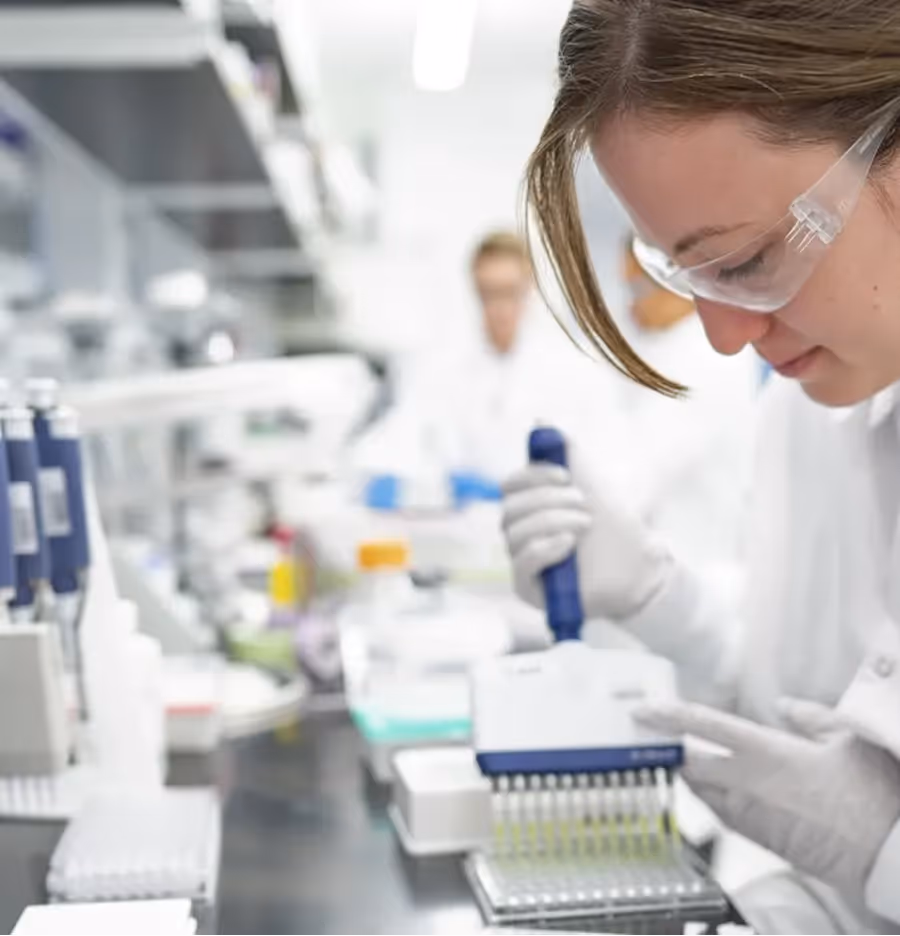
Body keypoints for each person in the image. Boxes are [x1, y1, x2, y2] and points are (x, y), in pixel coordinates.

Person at [502, 2, 900, 934]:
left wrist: (885, 846)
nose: (726, 338)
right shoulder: (812, 416)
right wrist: (655, 595)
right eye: (689, 276)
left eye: (750, 260)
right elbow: (797, 705)